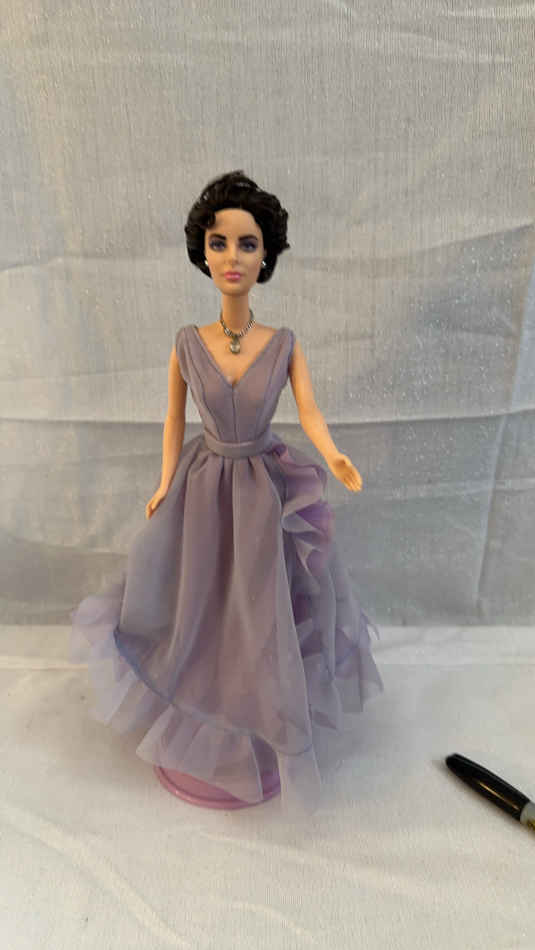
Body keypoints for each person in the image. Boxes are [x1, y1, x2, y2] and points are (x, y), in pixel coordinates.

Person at [70, 169, 384, 817]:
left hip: (263, 492)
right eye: (218, 242)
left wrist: (333, 454)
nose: (232, 257)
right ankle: (207, 730)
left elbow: (309, 410)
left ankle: (259, 719)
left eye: (247, 243)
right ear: (202, 252)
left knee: (260, 608)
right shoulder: (188, 343)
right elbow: (172, 420)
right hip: (203, 489)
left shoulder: (283, 344)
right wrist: (164, 482)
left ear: (267, 254)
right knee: (199, 603)